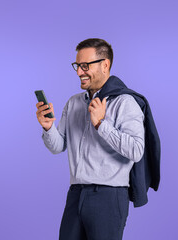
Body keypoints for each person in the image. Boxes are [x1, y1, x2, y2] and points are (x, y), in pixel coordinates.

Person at [36, 38, 146, 240]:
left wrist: (101, 125)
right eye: (77, 66)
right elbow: (58, 146)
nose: (79, 72)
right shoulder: (74, 103)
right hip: (76, 194)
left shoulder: (125, 103)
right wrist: (48, 128)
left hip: (108, 197)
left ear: (105, 65)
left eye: (85, 66)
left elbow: (137, 150)